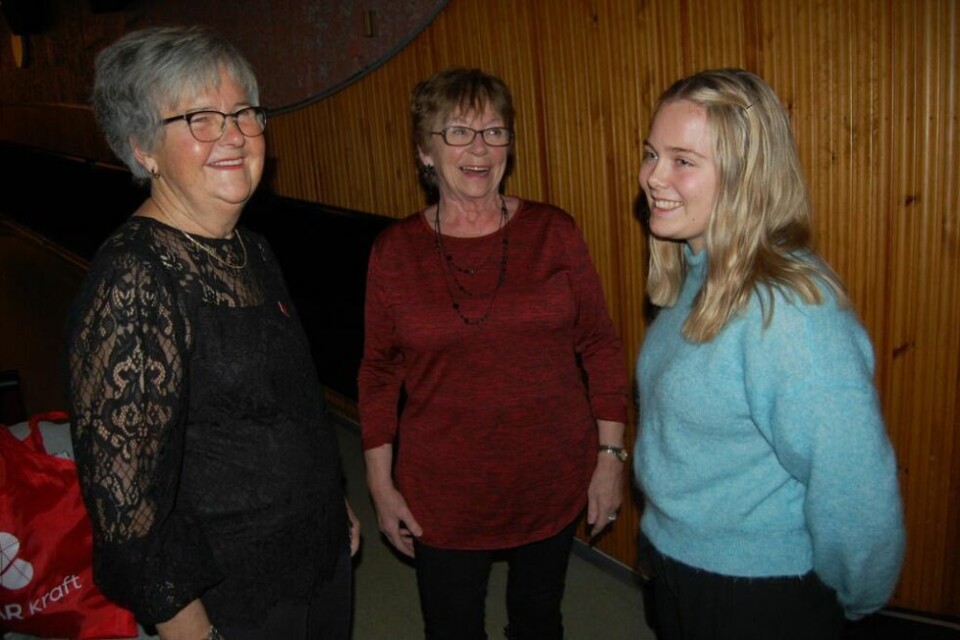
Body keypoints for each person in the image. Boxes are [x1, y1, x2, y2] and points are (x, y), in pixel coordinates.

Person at [67, 26, 359, 640]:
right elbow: (124, 503)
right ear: (142, 147)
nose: (233, 134)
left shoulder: (251, 249)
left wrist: (331, 502)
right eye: (200, 117)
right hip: (233, 593)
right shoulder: (135, 278)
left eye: (243, 112)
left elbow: (292, 407)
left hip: (315, 554)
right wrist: (189, 628)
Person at [633, 68, 905, 639]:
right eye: (651, 153)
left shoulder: (791, 313)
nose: (653, 177)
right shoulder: (693, 272)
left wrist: (857, 601)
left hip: (757, 596)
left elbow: (855, 489)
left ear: (745, 176)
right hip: (679, 566)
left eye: (683, 160)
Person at [358, 67, 628, 640]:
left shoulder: (554, 232)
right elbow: (379, 374)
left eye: (494, 132)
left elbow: (600, 343)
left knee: (538, 620)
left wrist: (610, 457)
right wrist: (380, 488)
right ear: (425, 152)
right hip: (445, 494)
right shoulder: (395, 252)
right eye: (457, 132)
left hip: (550, 479)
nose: (479, 149)